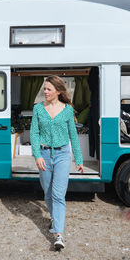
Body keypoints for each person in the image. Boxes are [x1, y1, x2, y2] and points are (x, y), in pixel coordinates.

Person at [30, 75, 84, 250]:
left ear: (58, 91)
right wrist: (37, 155)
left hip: (62, 155)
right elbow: (34, 134)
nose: (45, 92)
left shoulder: (68, 110)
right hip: (44, 155)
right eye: (44, 89)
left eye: (48, 89)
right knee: (47, 192)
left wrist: (79, 159)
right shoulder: (38, 109)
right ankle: (54, 217)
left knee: (58, 195)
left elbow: (73, 136)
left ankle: (58, 234)